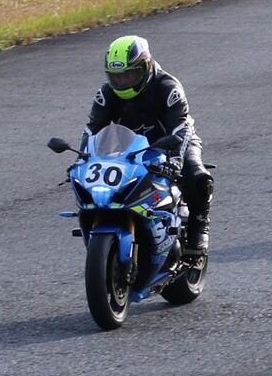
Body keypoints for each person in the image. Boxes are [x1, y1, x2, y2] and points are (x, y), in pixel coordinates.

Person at [85, 34, 212, 255]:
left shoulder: (168, 87)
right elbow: (92, 129)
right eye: (117, 77)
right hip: (129, 148)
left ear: (146, 66)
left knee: (197, 175)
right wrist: (83, 157)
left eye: (130, 75)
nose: (123, 82)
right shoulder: (106, 93)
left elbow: (181, 128)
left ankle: (199, 224)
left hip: (173, 143)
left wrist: (175, 160)